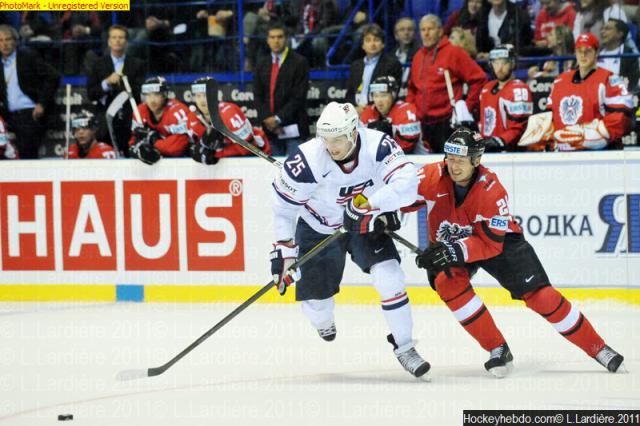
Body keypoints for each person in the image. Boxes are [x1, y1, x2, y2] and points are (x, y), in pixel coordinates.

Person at [409, 127, 625, 377]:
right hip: (456, 244)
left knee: (542, 297)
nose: (453, 166)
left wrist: (451, 250)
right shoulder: (430, 175)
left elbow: (490, 244)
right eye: (450, 158)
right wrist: (380, 214)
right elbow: (399, 195)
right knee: (447, 283)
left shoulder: (491, 191)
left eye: (461, 160)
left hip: (498, 243)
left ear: (476, 160)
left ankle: (599, 348)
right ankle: (497, 349)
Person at [270, 102, 430, 378]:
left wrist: (372, 205)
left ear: (354, 132)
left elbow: (407, 185)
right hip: (317, 226)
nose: (331, 147)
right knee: (318, 305)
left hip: (363, 224)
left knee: (389, 277)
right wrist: (284, 251)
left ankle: (405, 347)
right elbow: (283, 210)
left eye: (338, 139)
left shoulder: (378, 146)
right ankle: (322, 318)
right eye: (326, 139)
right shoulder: (306, 160)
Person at [406, 14, 487, 153]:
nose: (426, 33)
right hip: (422, 124)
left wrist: (465, 108)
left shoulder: (453, 52)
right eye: (423, 29)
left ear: (440, 31)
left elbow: (479, 79)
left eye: (430, 29)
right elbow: (412, 88)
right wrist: (412, 113)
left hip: (446, 123)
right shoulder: (418, 56)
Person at [548, 32, 633, 150]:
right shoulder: (560, 81)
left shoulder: (608, 79)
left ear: (596, 53)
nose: (583, 55)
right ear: (575, 52)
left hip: (598, 155)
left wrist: (596, 134)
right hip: (564, 153)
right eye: (579, 50)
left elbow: (623, 116)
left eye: (588, 50)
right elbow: (549, 116)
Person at [0, 24, 60, 159]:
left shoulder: (27, 57)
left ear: (15, 41)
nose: (4, 44)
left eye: (8, 39)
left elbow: (53, 77)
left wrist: (42, 104)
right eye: (0, 40)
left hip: (29, 115)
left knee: (27, 156)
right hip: (7, 116)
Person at [86, 24, 146, 156]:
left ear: (126, 41)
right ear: (109, 41)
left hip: (130, 121)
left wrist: (124, 83)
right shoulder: (98, 64)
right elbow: (91, 94)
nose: (117, 40)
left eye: (121, 37)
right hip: (105, 123)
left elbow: (140, 93)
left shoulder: (137, 64)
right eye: (114, 37)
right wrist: (106, 83)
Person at [253, 21, 310, 156]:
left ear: (286, 39)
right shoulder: (261, 64)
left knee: (294, 173)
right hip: (270, 131)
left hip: (294, 128)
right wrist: (268, 119)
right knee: (274, 174)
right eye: (272, 37)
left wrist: (278, 119)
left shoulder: (299, 62)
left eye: (280, 37)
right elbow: (258, 95)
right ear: (267, 40)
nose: (276, 41)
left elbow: (299, 96)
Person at [188, 77, 271, 164]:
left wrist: (218, 153)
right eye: (198, 96)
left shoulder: (229, 113)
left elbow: (248, 148)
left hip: (259, 156)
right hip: (230, 161)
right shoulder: (192, 118)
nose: (202, 100)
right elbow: (196, 146)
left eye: (205, 95)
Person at [128, 76, 194, 164]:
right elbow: (133, 143)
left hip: (185, 162)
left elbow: (176, 148)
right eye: (148, 95)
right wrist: (139, 151)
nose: (152, 100)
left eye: (156, 94)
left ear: (165, 94)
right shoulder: (140, 111)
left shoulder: (177, 111)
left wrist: (152, 140)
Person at [479, 45, 533, 152]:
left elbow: (520, 128)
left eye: (504, 63)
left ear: (512, 64)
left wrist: (501, 141)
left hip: (511, 153)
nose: (499, 68)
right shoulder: (486, 89)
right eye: (495, 62)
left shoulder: (519, 90)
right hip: (488, 151)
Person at [345, 23, 402, 113]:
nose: (372, 44)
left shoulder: (392, 64)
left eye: (376, 40)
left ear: (383, 44)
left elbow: (391, 94)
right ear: (363, 45)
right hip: (356, 112)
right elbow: (350, 94)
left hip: (379, 112)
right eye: (368, 40)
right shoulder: (355, 66)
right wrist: (353, 109)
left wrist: (368, 110)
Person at [359, 75, 421, 153]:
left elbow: (408, 147)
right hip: (384, 160)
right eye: (375, 96)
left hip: (417, 159)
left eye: (383, 95)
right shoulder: (369, 112)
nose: (379, 101)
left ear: (393, 95)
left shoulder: (407, 111)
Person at [598, 19, 639, 92]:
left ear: (619, 34)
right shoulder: (595, 53)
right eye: (602, 29)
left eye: (607, 29)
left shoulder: (630, 56)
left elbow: (633, 84)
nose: (602, 32)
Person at [393, 17, 419, 92]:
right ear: (396, 35)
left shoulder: (419, 55)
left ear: (414, 34)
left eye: (410, 29)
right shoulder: (390, 56)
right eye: (402, 30)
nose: (406, 33)